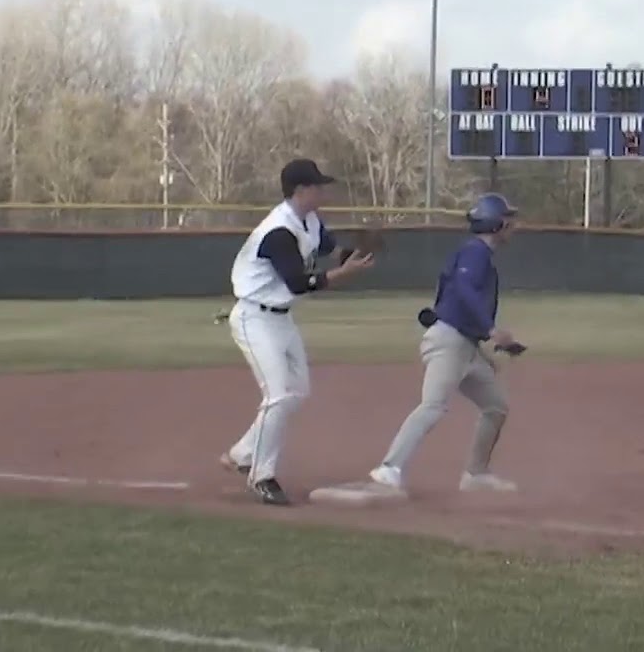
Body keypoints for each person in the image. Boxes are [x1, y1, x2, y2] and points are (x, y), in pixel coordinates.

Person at [220, 158, 375, 505]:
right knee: (278, 394)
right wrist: (343, 274)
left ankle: (243, 453)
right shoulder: (279, 231)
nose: (323, 192)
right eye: (318, 186)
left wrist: (358, 255)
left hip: (280, 319)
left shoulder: (310, 220)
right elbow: (298, 282)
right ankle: (261, 476)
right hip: (253, 318)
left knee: (298, 391)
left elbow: (330, 248)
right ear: (301, 190)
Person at [367, 193, 522, 494]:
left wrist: (481, 349)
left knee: (496, 407)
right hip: (449, 342)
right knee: (433, 406)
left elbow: (459, 299)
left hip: (465, 344)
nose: (513, 225)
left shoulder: (478, 254)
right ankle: (389, 468)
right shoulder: (475, 252)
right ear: (496, 224)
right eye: (508, 219)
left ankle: (475, 474)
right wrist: (491, 329)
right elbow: (464, 290)